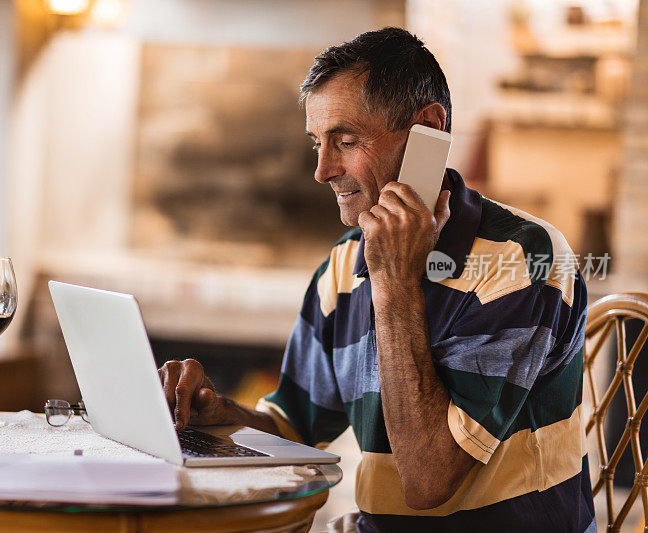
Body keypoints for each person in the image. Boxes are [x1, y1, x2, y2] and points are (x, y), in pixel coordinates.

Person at [158, 28, 595, 532]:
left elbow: (428, 481)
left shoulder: (524, 261)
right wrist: (215, 412)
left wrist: (393, 280)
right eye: (316, 143)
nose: (322, 170)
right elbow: (293, 429)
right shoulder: (342, 268)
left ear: (427, 130)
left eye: (346, 141)